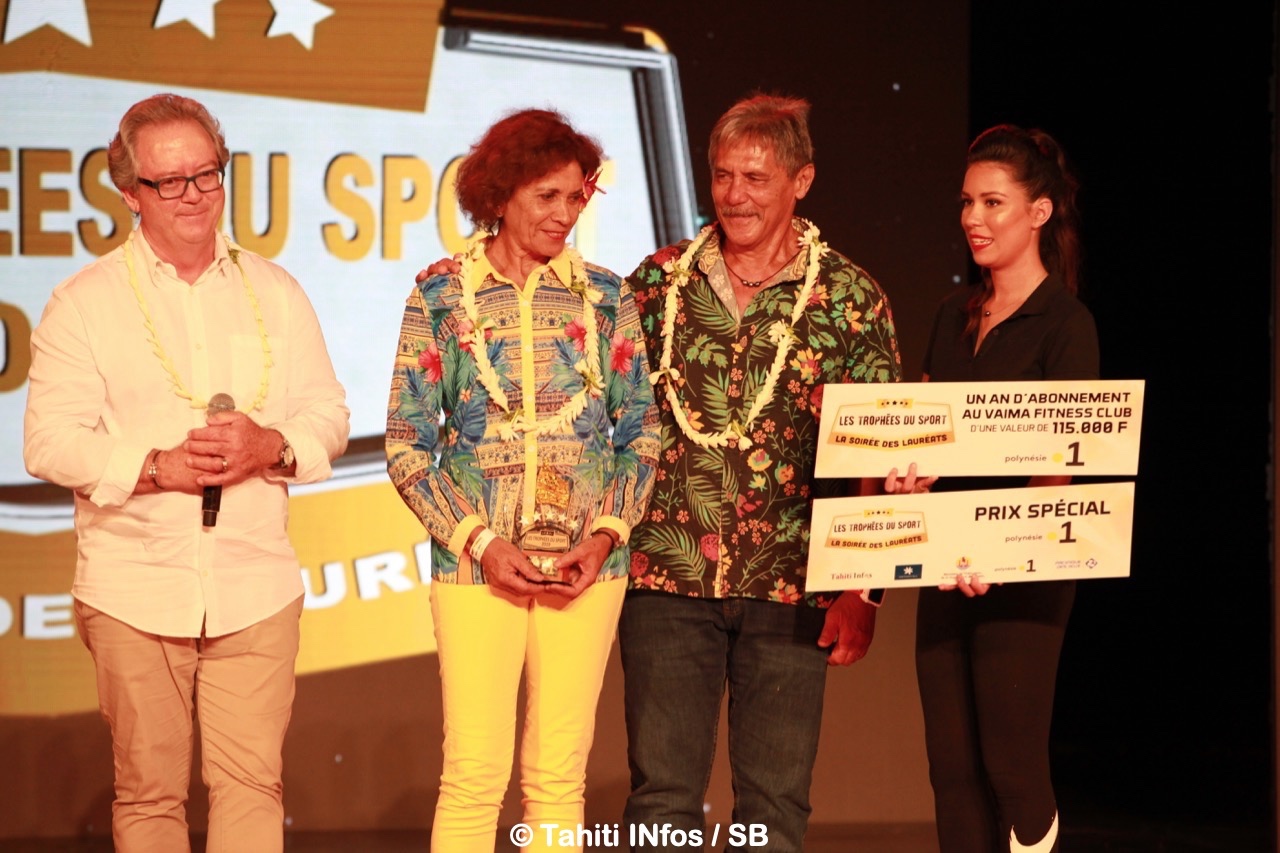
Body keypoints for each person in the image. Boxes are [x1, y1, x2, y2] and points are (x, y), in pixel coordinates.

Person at [23, 93, 350, 852]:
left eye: (207, 174)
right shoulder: (83, 302)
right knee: (149, 794)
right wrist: (155, 466)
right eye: (169, 181)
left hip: (255, 583)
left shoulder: (277, 290)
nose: (194, 194)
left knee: (253, 785)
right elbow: (49, 442)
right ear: (129, 193)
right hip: (135, 586)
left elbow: (328, 413)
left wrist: (271, 444)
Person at [620, 94, 901, 850]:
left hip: (790, 582)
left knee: (772, 808)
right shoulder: (658, 285)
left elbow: (878, 455)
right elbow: (612, 422)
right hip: (666, 579)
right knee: (660, 801)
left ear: (800, 181)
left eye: (755, 176)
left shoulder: (848, 297)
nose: (735, 195)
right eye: (722, 176)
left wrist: (862, 586)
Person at [387, 109, 660, 851]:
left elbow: (641, 431)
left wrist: (604, 537)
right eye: (547, 196)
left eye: (577, 197)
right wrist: (477, 541)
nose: (565, 214)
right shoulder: (440, 294)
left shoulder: (606, 296)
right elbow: (409, 441)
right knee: (475, 772)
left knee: (557, 775)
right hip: (477, 567)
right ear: (501, 194)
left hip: (586, 567)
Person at [893, 125, 1097, 853]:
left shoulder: (1065, 325)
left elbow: (1061, 462)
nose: (972, 218)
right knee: (950, 767)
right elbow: (923, 428)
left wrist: (1007, 552)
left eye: (992, 202)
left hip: (1021, 570)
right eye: (966, 202)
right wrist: (905, 470)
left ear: (1038, 212)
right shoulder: (954, 315)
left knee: (1010, 763)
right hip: (946, 563)